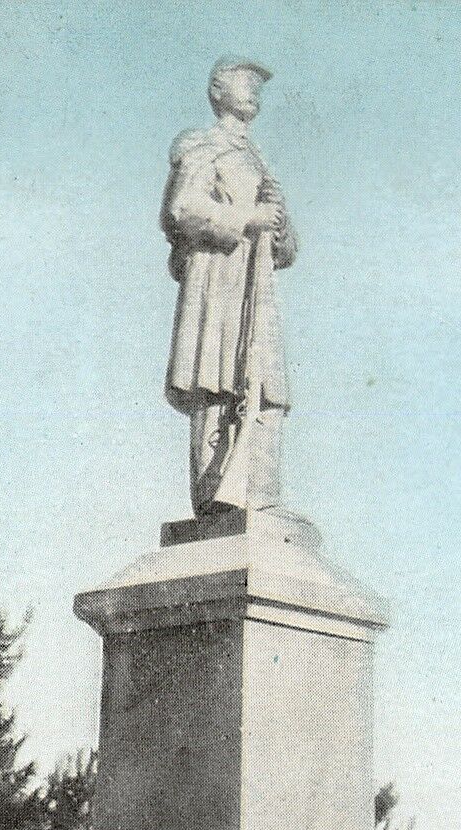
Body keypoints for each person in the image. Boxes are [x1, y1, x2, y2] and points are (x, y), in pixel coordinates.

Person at [161, 57, 297, 516]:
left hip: (256, 293)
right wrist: (246, 218)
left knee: (263, 387)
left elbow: (287, 249)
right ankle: (216, 497)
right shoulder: (202, 147)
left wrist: (277, 226)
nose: (253, 89)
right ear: (218, 91)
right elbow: (183, 210)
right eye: (243, 82)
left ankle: (259, 493)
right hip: (219, 284)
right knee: (218, 383)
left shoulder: (259, 160)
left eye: (258, 84)